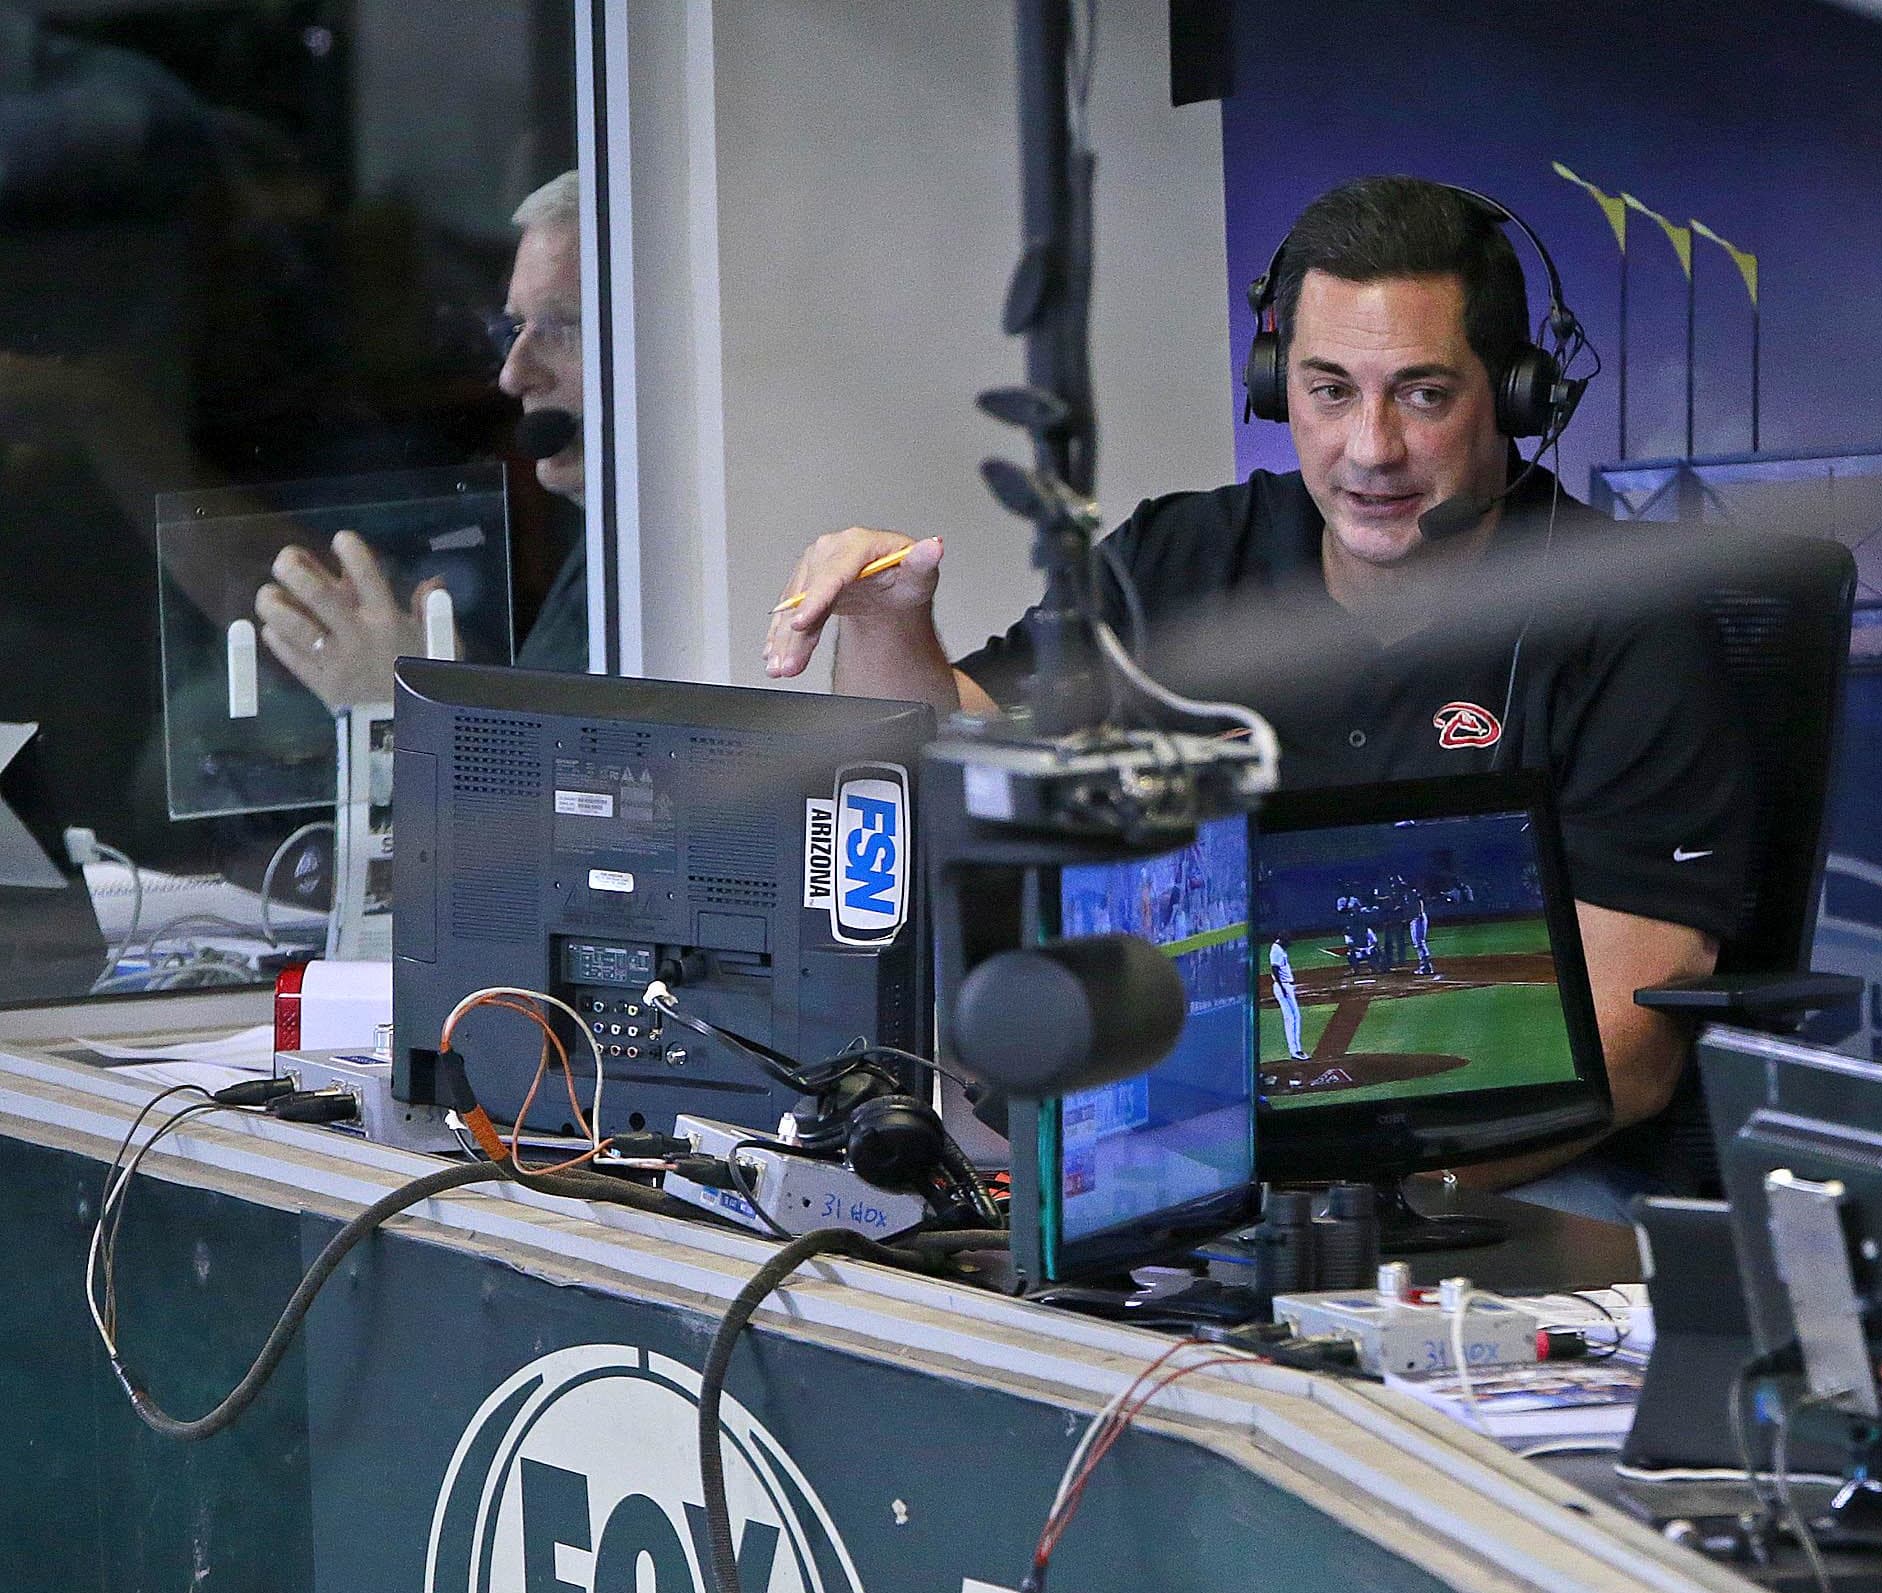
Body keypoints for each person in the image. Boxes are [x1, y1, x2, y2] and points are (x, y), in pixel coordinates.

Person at [766, 176, 1754, 1201]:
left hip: (1501, 1190)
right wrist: (888, 622)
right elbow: (939, 766)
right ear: (1281, 386)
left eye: (1423, 393)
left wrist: (1306, 1203)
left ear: (1513, 395)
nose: (1371, 448)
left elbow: (1630, 1051)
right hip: (1181, 1164)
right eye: (1330, 390)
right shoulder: (1183, 559)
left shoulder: (1631, 618)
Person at [253, 171, 593, 702]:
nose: (514, 375)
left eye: (565, 329)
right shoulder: (606, 551)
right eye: (514, 332)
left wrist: (408, 708)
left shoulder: (679, 572)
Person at [1269, 938, 1309, 1062]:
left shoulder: (1279, 948)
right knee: (1290, 1018)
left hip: (1286, 986)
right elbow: (1274, 970)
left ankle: (1297, 1049)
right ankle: (1294, 1051)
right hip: (1283, 986)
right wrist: (1282, 988)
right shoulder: (1276, 950)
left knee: (1296, 1017)